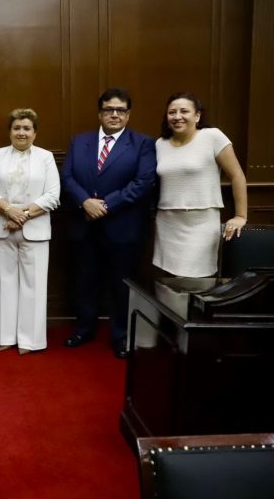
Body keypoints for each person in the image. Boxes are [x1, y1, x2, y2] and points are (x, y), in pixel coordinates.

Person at [61, 88, 156, 358]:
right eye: (108, 109)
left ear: (128, 114)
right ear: (99, 112)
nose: (114, 114)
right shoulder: (80, 141)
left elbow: (143, 183)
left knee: (121, 284)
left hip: (123, 227)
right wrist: (85, 202)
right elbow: (67, 177)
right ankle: (84, 329)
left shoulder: (143, 143)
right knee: (85, 281)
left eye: (120, 110)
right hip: (85, 225)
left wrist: (105, 204)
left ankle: (121, 336)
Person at [0, 108, 60, 354]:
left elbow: (53, 196)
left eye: (27, 128)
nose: (22, 133)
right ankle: (5, 336)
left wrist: (22, 215)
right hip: (2, 226)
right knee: (4, 283)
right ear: (10, 131)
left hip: (34, 229)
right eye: (17, 128)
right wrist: (9, 211)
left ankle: (30, 340)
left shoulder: (45, 157)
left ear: (35, 132)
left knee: (33, 285)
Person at [152, 92, 248, 277]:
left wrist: (240, 216)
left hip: (200, 225)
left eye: (184, 111)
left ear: (197, 115)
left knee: (196, 283)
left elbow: (237, 175)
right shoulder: (160, 144)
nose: (177, 116)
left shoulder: (212, 136)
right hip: (167, 224)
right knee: (170, 285)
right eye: (172, 112)